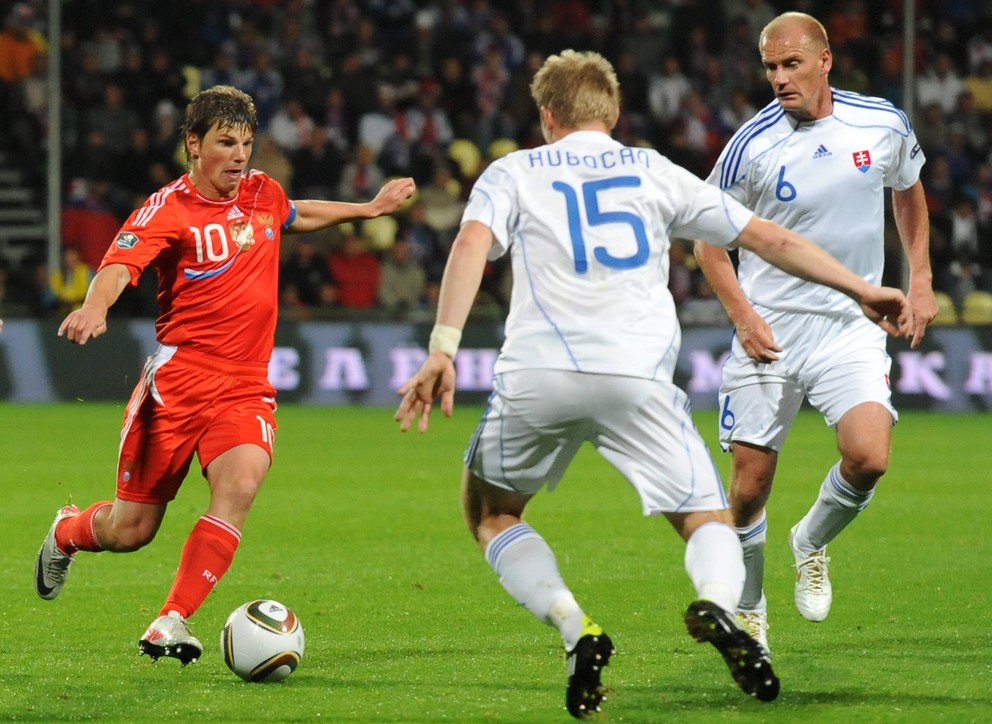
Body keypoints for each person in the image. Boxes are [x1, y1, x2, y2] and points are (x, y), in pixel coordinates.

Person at [393, 50, 911, 719]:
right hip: (637, 377)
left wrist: (443, 347)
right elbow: (768, 239)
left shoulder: (512, 170)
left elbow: (469, 247)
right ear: (613, 114)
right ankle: (721, 606)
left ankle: (573, 624)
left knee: (491, 514)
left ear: (547, 115)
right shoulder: (652, 170)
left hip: (539, 372)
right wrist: (861, 286)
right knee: (705, 519)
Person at [34, 85, 415, 665]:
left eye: (246, 143)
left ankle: (171, 618)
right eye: (225, 143)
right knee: (132, 529)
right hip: (179, 384)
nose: (239, 156)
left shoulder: (263, 192)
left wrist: (368, 209)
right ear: (194, 144)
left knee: (239, 486)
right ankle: (68, 530)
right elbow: (118, 263)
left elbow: (298, 214)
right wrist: (95, 307)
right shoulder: (168, 209)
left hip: (245, 385)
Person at [693, 12, 937, 657]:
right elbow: (708, 245)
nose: (778, 78)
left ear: (824, 60)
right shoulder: (750, 145)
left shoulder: (880, 122)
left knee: (869, 456)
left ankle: (811, 541)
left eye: (791, 64)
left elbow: (908, 192)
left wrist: (920, 279)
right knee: (747, 488)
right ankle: (749, 611)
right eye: (769, 67)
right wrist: (744, 316)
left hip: (850, 324)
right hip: (769, 330)